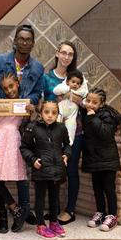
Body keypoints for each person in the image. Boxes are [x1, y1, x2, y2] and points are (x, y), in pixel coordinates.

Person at [0, 24, 44, 227]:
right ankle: (8, 213)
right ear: (14, 41)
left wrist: (29, 102)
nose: (24, 42)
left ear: (33, 43)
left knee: (20, 171)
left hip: (22, 128)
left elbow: (38, 92)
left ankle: (23, 209)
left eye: (28, 40)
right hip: (1, 125)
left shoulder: (37, 68)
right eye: (21, 39)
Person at [42, 41, 82, 225]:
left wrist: (69, 96)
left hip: (74, 130)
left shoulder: (76, 77)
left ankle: (70, 209)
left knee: (71, 169)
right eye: (63, 53)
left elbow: (86, 101)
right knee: (52, 171)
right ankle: (54, 208)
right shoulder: (47, 77)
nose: (66, 57)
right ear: (57, 54)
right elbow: (41, 103)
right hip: (53, 132)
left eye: (70, 54)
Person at [20, 100, 71, 240]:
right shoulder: (32, 127)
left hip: (57, 170)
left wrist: (67, 154)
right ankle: (41, 225)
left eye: (54, 112)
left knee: (55, 199)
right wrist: (32, 160)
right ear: (41, 113)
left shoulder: (61, 128)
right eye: (46, 112)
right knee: (40, 199)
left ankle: (54, 222)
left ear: (57, 114)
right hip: (41, 169)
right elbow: (24, 147)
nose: (50, 115)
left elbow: (67, 144)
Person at [0, 72, 29, 233]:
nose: (9, 90)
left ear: (17, 83)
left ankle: (24, 209)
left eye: (11, 86)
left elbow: (29, 120)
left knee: (20, 176)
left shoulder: (24, 101)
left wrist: (31, 110)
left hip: (14, 139)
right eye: (5, 88)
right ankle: (14, 207)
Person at [81, 88, 121, 232]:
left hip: (107, 159)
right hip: (93, 158)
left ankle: (112, 215)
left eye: (94, 102)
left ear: (102, 103)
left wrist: (93, 118)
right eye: (88, 101)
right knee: (97, 188)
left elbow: (106, 133)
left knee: (109, 188)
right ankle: (100, 213)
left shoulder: (107, 115)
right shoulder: (85, 113)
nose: (90, 104)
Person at [53, 69, 88, 145]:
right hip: (60, 112)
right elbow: (55, 91)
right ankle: (56, 140)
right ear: (67, 82)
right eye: (73, 82)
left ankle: (69, 142)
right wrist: (66, 89)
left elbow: (85, 98)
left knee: (71, 126)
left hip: (71, 115)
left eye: (78, 83)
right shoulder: (63, 87)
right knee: (57, 125)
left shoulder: (80, 92)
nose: (75, 84)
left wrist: (83, 100)